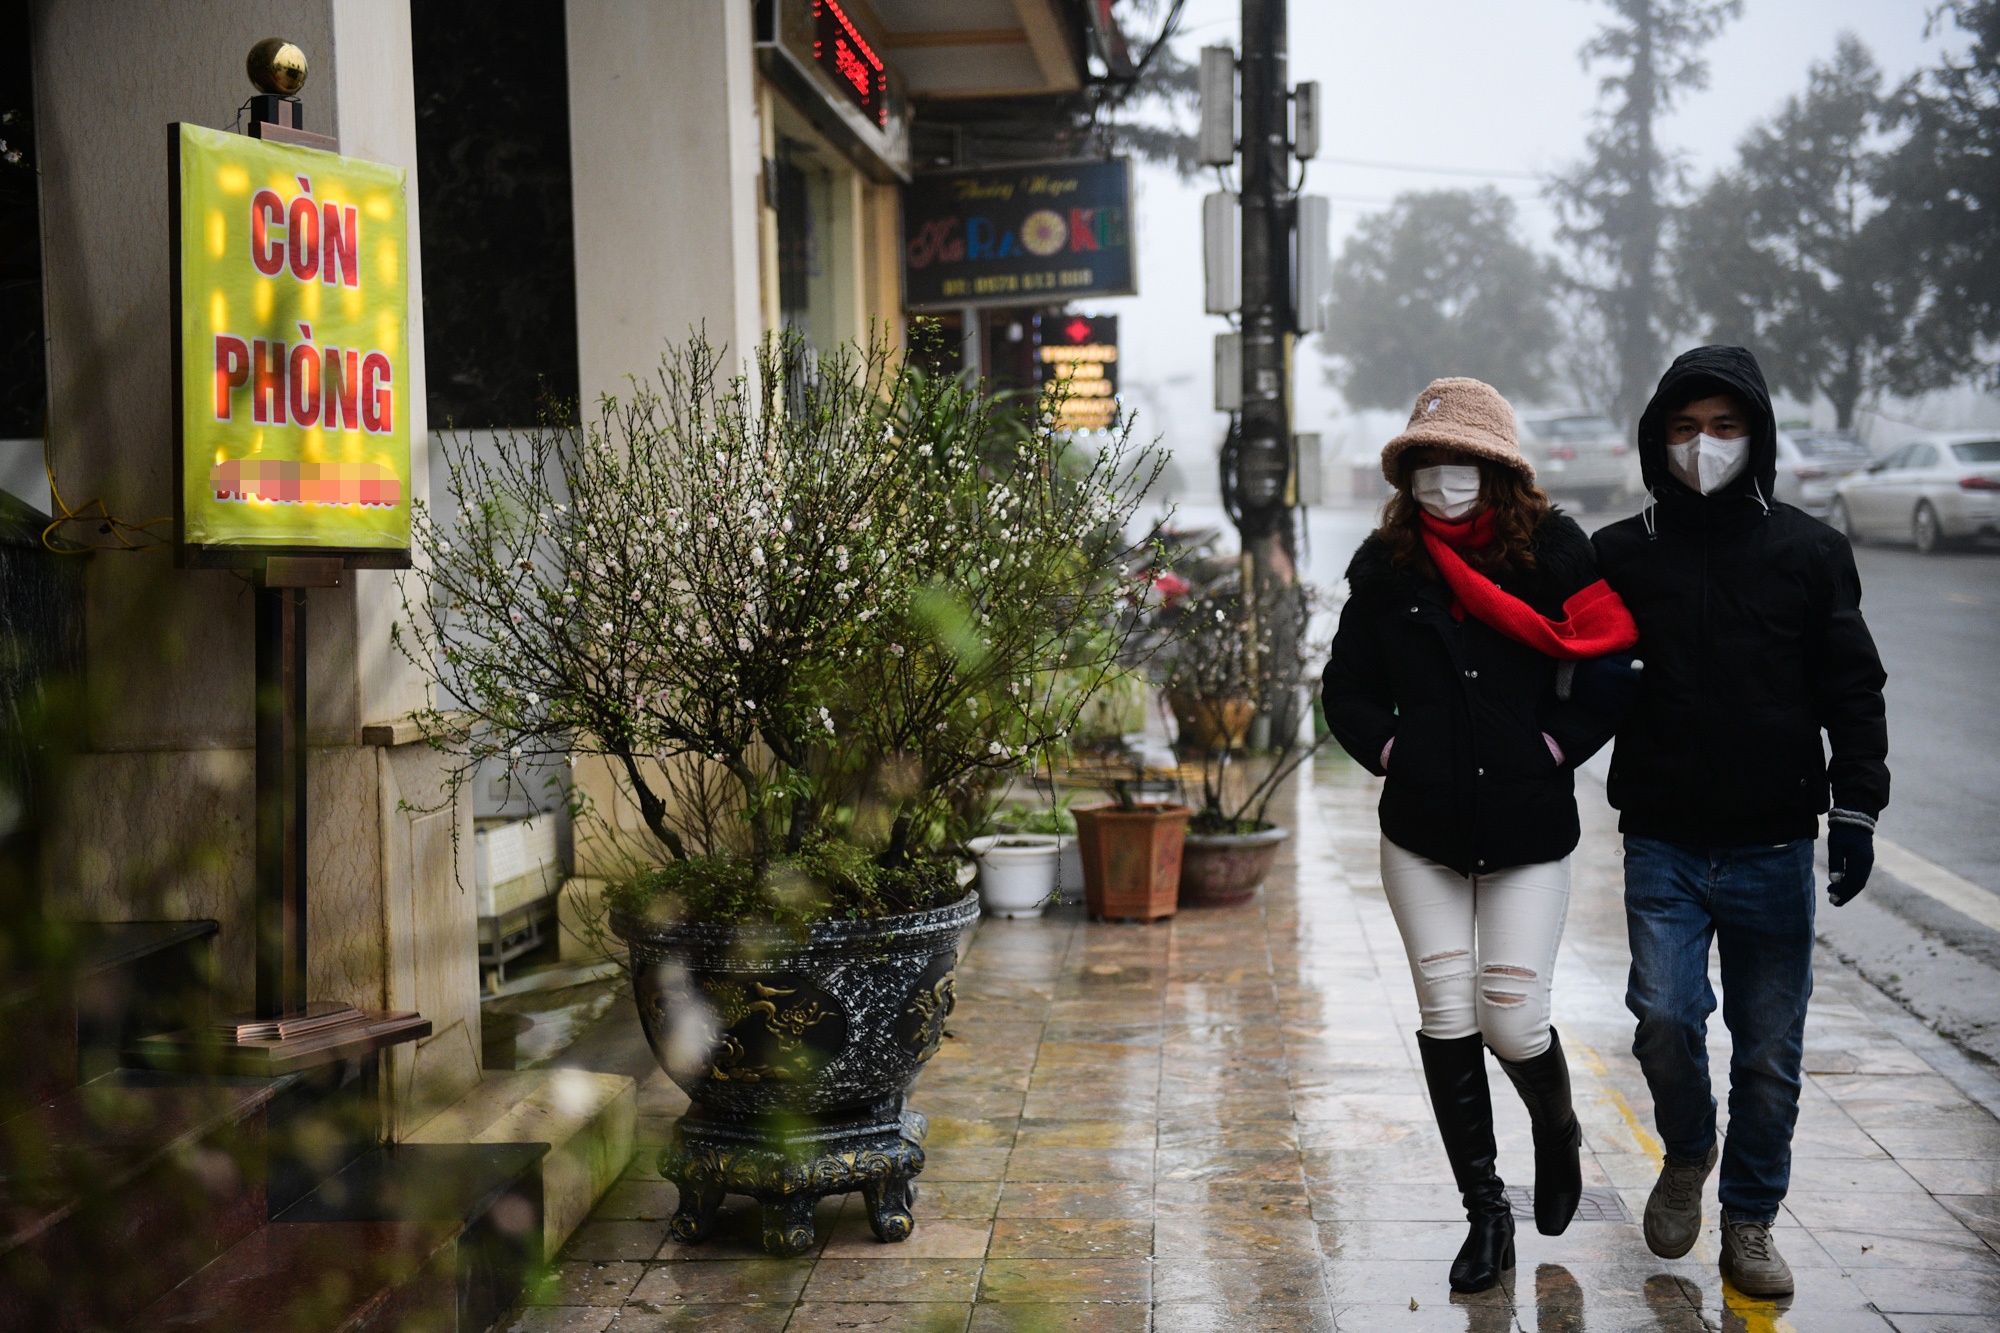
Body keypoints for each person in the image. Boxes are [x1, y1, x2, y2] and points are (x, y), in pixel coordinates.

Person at [1323, 377, 1640, 1294]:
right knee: (1447, 1011)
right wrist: (1389, 747)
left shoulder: (1552, 551)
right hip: (1420, 830)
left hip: (1528, 828)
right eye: (1427, 462)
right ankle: (1485, 1212)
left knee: (1512, 1014)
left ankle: (1557, 1123)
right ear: (1410, 472)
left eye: (1461, 461)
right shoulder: (1385, 566)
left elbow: (1616, 658)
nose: (1443, 479)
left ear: (1497, 468)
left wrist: (1556, 742)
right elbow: (1344, 686)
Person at [1592, 346, 1889, 1298]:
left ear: (1755, 435)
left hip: (1773, 845)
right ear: (1656, 439)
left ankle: (1751, 1221)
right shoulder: (1621, 553)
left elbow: (1853, 685)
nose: (1703, 445)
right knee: (1664, 1018)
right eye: (1683, 428)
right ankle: (1688, 1149)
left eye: (1723, 427)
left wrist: (1857, 806)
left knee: (1769, 1054)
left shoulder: (1808, 551)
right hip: (1663, 840)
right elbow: (1561, 666)